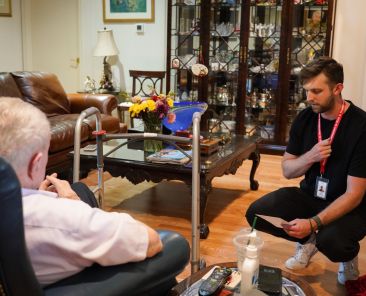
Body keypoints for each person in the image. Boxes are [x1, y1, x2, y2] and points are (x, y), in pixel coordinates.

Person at [0, 97, 187, 289]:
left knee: (81, 188)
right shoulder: (62, 218)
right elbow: (150, 241)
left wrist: (38, 195)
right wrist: (72, 203)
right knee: (175, 246)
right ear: (36, 163)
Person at [246, 57, 366, 285]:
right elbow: (288, 171)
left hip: (349, 205)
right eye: (307, 90)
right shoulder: (306, 117)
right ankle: (309, 241)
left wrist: (312, 222)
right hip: (311, 195)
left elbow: (355, 195)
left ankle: (347, 257)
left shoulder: (361, 127)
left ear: (338, 88)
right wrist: (311, 156)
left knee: (333, 242)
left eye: (317, 91)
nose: (309, 97)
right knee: (256, 213)